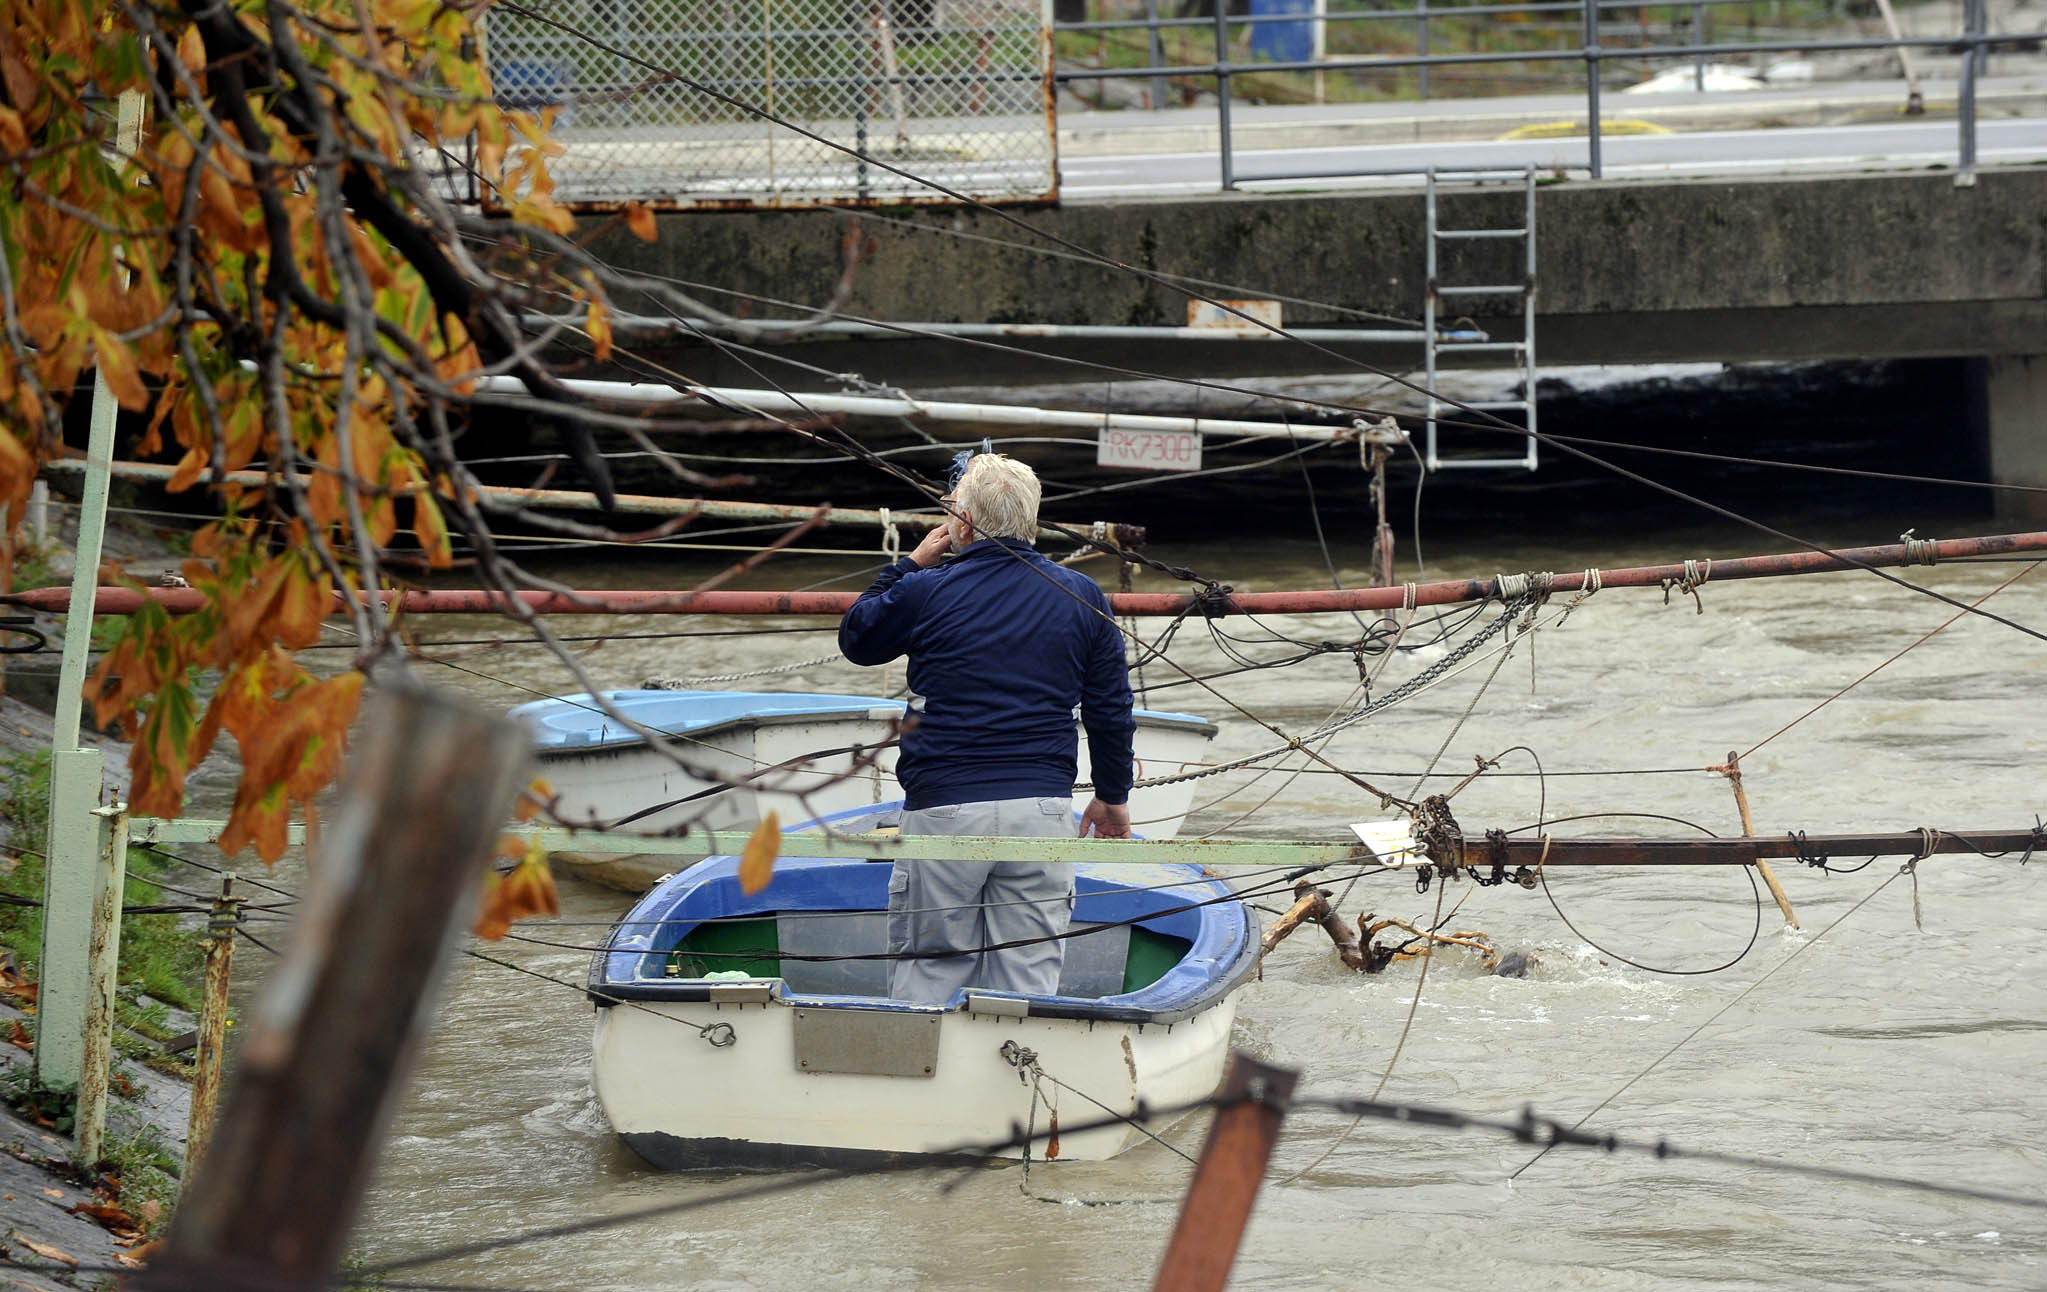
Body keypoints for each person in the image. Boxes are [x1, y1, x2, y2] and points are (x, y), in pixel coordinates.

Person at [838, 453, 1135, 1004]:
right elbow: (1110, 708)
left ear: (965, 526)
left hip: (945, 806)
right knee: (1026, 982)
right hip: (1041, 809)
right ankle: (1016, 1082)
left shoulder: (928, 589)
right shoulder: (1081, 595)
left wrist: (909, 566)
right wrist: (1112, 794)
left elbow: (858, 637)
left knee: (929, 971)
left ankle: (925, 1080)